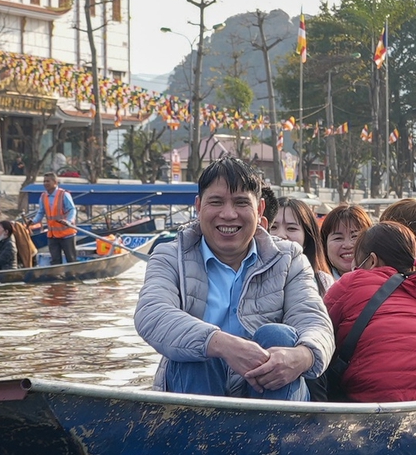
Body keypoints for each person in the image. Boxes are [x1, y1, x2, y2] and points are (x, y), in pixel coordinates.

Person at [134, 157, 333, 402]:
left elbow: (315, 321)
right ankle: (200, 437)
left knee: (278, 336)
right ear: (198, 206)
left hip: (270, 391)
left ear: (259, 210)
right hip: (194, 386)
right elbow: (152, 314)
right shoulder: (170, 256)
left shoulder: (289, 258)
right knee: (195, 349)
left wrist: (302, 356)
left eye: (241, 203)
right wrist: (222, 345)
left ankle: (272, 438)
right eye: (216, 202)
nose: (228, 215)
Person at [323, 222, 416, 402]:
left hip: (382, 395)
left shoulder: (353, 281)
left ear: (372, 261)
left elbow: (321, 327)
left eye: (357, 263)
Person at [270, 197, 331, 293]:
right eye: (273, 227)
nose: (280, 235)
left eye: (291, 228)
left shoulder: (324, 282)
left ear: (307, 238)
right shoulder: (248, 276)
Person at [317, 203, 370, 279]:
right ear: (324, 245)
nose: (348, 245)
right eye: (338, 238)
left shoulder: (385, 283)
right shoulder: (312, 284)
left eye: (355, 236)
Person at [40, 172, 80, 264]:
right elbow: (41, 212)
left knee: (71, 259)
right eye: (44, 181)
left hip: (66, 234)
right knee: (55, 260)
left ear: (55, 182)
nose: (45, 183)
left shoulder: (64, 194)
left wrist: (69, 221)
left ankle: (72, 276)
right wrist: (33, 221)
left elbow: (72, 209)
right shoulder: (43, 196)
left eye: (48, 181)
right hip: (52, 234)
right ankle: (57, 276)